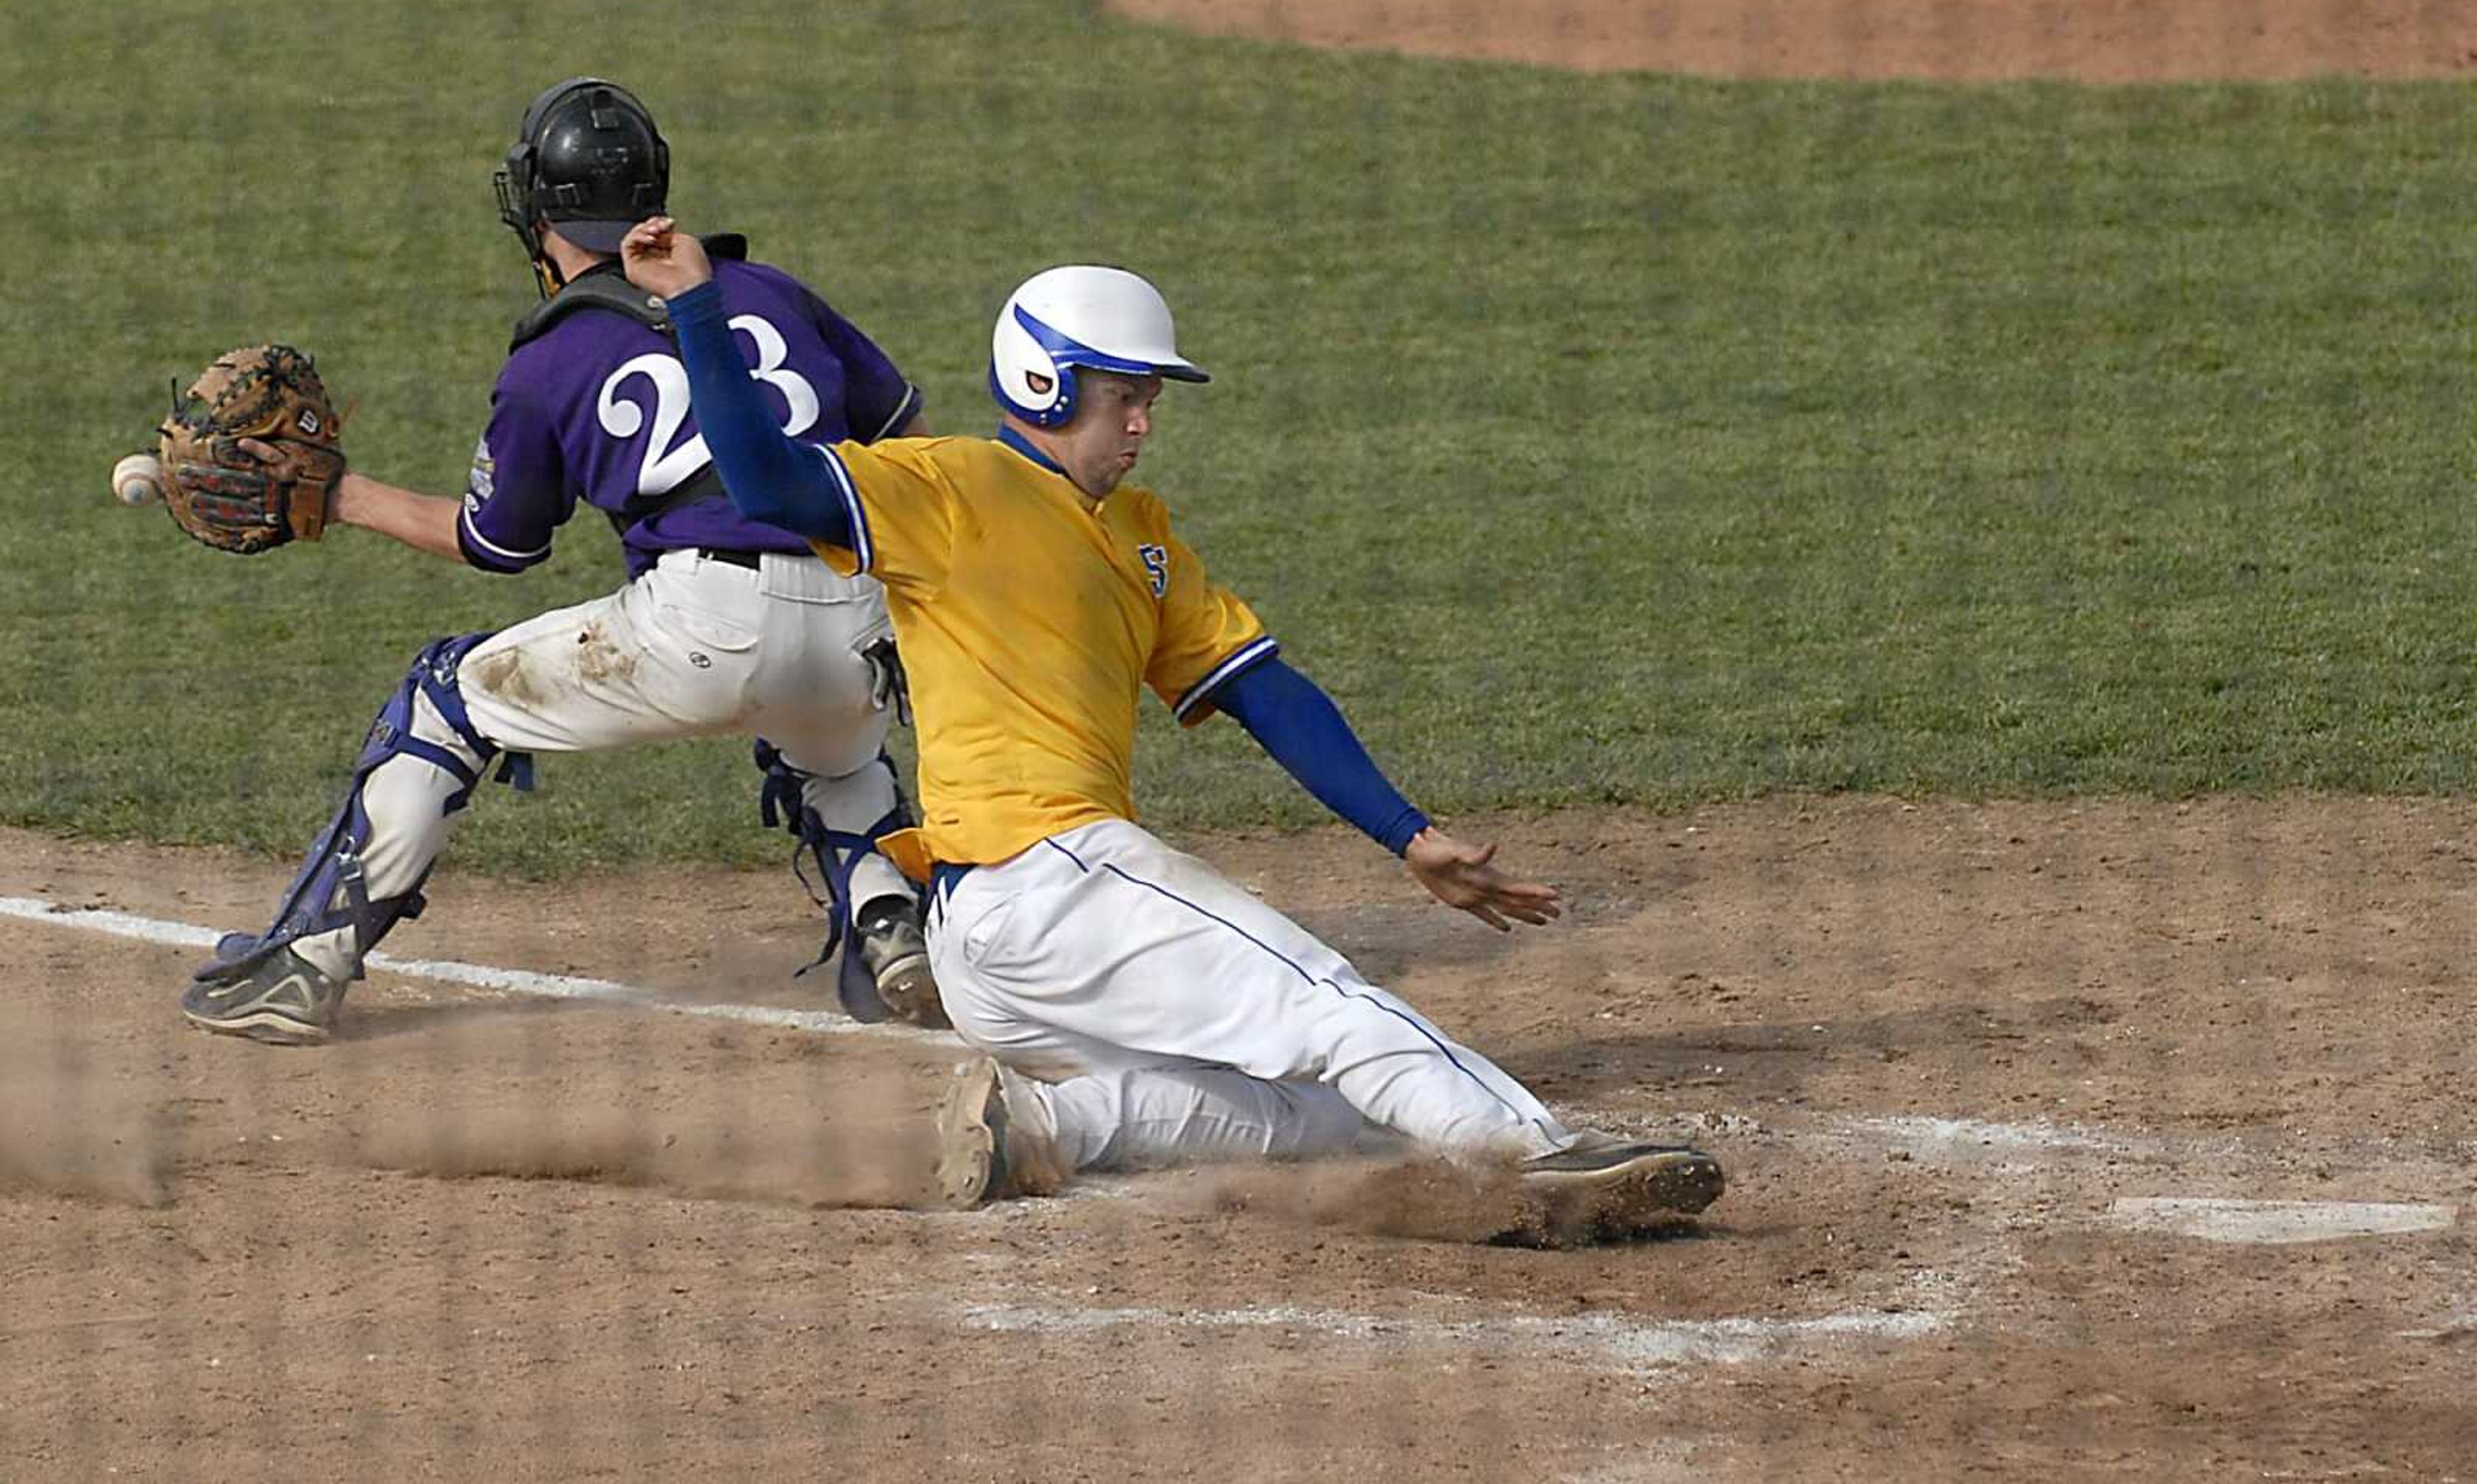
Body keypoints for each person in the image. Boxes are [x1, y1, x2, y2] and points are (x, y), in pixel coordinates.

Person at [616, 217, 1727, 1223]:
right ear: (1047, 385)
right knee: (1325, 1000)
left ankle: (1045, 1128)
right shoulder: (948, 488)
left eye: (1152, 397)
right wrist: (696, 302)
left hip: (998, 947)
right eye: (1124, 396)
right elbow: (763, 478)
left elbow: (1261, 687)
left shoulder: (1139, 538)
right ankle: (1543, 1156)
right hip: (1047, 877)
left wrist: (1409, 833)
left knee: (1322, 1106)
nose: (1145, 423)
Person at [180, 79, 942, 1044]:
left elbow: (497, 542)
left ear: (536, 212)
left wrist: (338, 497)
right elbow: (909, 435)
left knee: (446, 694)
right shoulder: (773, 291)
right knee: (839, 752)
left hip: (701, 624)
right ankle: (893, 928)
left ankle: (304, 965)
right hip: (858, 618)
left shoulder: (552, 358)